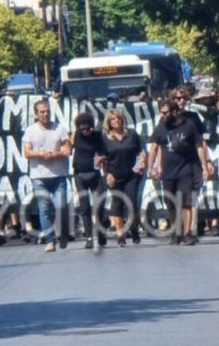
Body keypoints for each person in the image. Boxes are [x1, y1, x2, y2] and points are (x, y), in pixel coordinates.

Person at [149, 99, 210, 245]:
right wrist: (150, 167)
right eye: (161, 113)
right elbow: (154, 148)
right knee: (171, 203)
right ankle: (177, 231)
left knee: (185, 202)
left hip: (185, 170)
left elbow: (199, 146)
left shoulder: (189, 126)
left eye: (165, 112)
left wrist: (205, 166)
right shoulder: (161, 127)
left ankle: (188, 233)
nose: (163, 115)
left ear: (175, 112)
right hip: (168, 172)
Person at [22, 99, 71, 252]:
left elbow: (67, 149)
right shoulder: (30, 131)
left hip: (58, 174)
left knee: (61, 206)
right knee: (44, 209)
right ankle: (50, 240)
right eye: (42, 111)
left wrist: (54, 154)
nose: (45, 114)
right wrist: (41, 154)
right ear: (36, 114)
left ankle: (63, 233)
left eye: (48, 111)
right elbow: (27, 152)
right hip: (39, 176)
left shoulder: (59, 129)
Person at [102, 109, 145, 247]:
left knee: (131, 202)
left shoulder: (131, 134)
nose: (116, 121)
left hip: (131, 175)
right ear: (109, 122)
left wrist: (141, 163)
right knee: (117, 204)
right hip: (114, 175)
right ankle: (120, 235)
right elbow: (102, 159)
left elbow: (141, 151)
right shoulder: (105, 138)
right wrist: (107, 174)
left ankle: (134, 229)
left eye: (118, 118)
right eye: (113, 119)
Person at [70, 112, 107, 249]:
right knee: (84, 207)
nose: (85, 131)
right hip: (79, 175)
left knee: (100, 204)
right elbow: (68, 147)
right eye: (82, 129)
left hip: (95, 174)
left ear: (91, 126)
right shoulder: (76, 135)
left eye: (87, 128)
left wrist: (101, 158)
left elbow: (104, 152)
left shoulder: (97, 136)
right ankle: (89, 236)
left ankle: (101, 230)